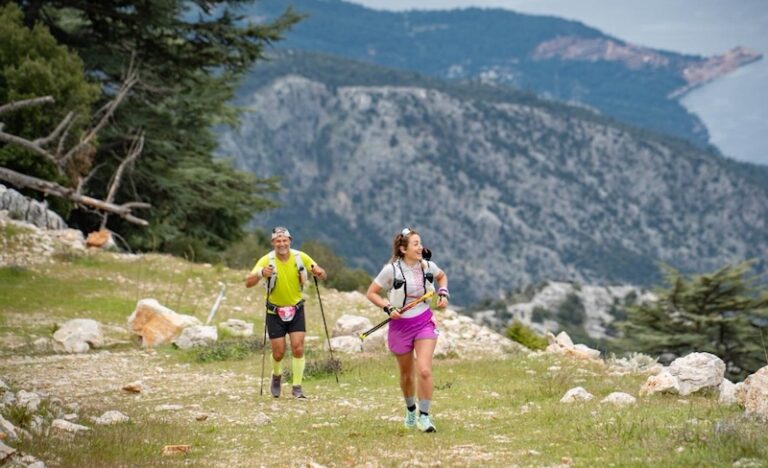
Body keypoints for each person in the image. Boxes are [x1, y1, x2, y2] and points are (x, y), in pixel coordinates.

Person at [365, 227, 449, 433]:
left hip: (424, 322)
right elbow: (372, 293)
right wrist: (388, 307)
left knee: (424, 370)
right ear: (403, 249)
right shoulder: (390, 270)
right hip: (400, 326)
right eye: (415, 244)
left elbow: (442, 276)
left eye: (420, 243)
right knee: (407, 375)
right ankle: (411, 410)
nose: (420, 247)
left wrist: (443, 293)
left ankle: (425, 417)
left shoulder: (428, 266)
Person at [245, 226, 326, 399]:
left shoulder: (300, 257)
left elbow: (321, 272)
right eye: (278, 241)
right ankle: (276, 377)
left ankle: (297, 387)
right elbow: (248, 282)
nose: (282, 243)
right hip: (274, 311)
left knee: (298, 348)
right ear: (273, 243)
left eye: (285, 240)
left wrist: (319, 272)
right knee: (278, 352)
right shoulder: (266, 260)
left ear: (290, 241)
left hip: (296, 309)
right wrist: (261, 273)